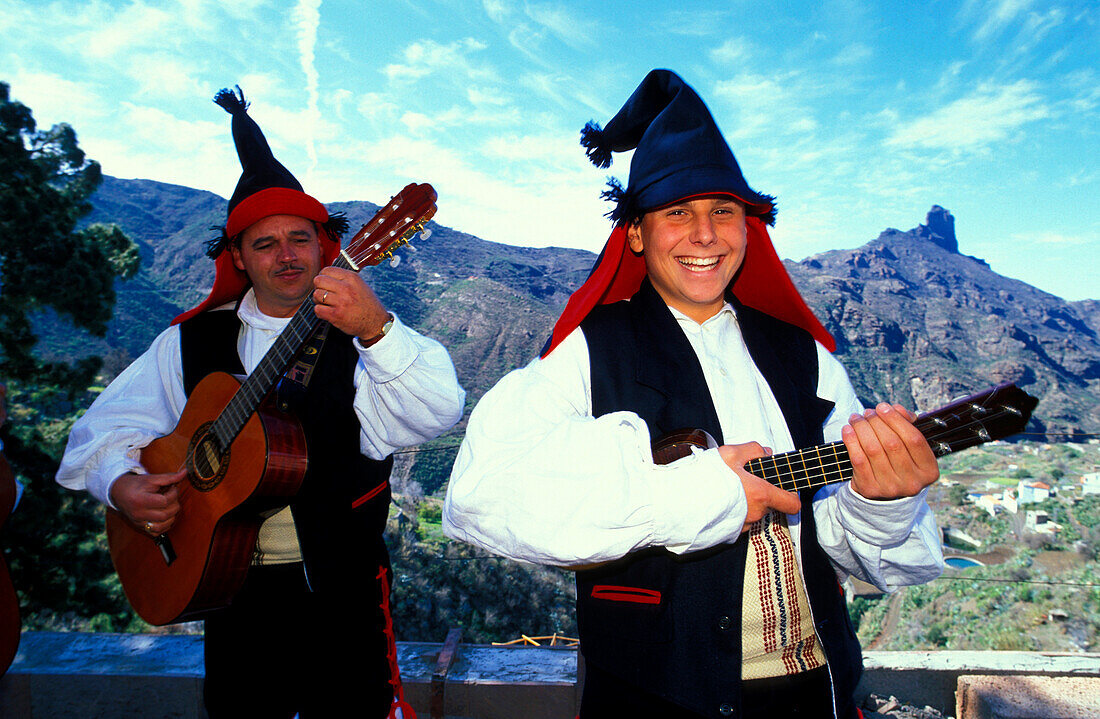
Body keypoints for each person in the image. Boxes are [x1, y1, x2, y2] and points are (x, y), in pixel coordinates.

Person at [443, 69, 943, 719]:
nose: (704, 234)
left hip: (814, 695)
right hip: (651, 700)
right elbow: (480, 496)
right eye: (677, 212)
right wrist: (696, 494)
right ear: (636, 233)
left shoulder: (806, 359)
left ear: (748, 227)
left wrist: (883, 501)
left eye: (723, 211)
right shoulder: (587, 354)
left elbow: (858, 553)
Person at [56, 87, 465, 718]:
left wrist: (379, 328)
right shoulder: (188, 342)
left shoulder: (364, 334)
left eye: (300, 238)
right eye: (265, 243)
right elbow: (97, 434)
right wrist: (121, 485)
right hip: (228, 585)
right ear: (239, 259)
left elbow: (437, 413)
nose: (286, 255)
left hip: (341, 590)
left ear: (326, 247)